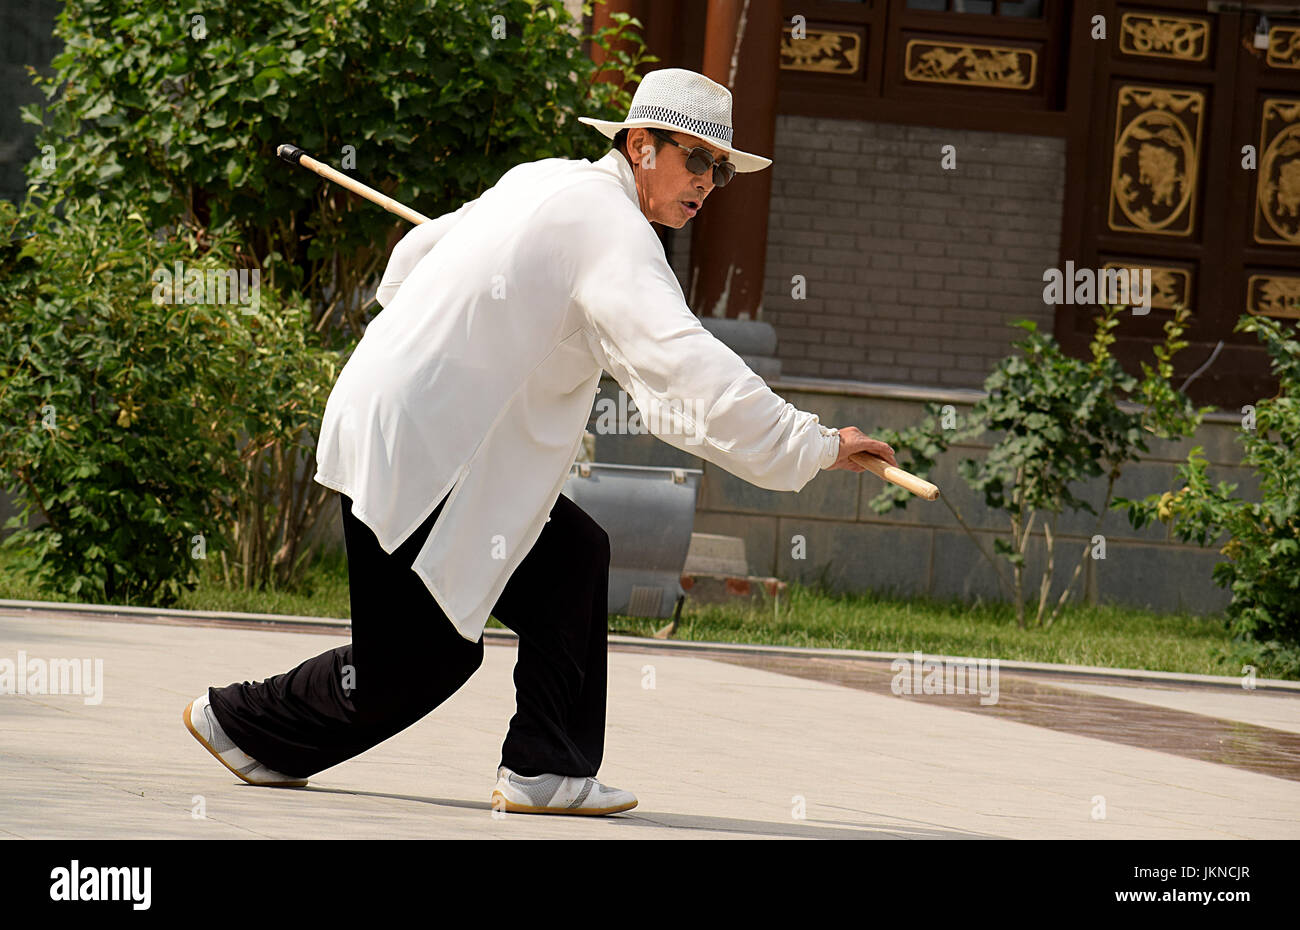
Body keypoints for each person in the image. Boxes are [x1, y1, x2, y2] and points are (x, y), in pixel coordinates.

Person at [182, 68, 897, 816]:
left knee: (571, 558)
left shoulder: (544, 183)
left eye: (720, 171)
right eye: (695, 160)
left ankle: (545, 767)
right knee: (421, 665)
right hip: (426, 447)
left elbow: (416, 255)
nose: (708, 183)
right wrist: (812, 443)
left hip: (420, 428)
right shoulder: (613, 232)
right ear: (641, 145)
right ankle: (243, 722)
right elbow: (685, 369)